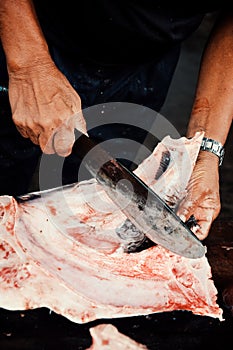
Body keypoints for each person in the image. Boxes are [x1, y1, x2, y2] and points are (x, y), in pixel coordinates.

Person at [0, 1, 232, 240]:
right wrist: (28, 65)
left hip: (145, 64)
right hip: (31, 33)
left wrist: (207, 150)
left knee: (90, 217)